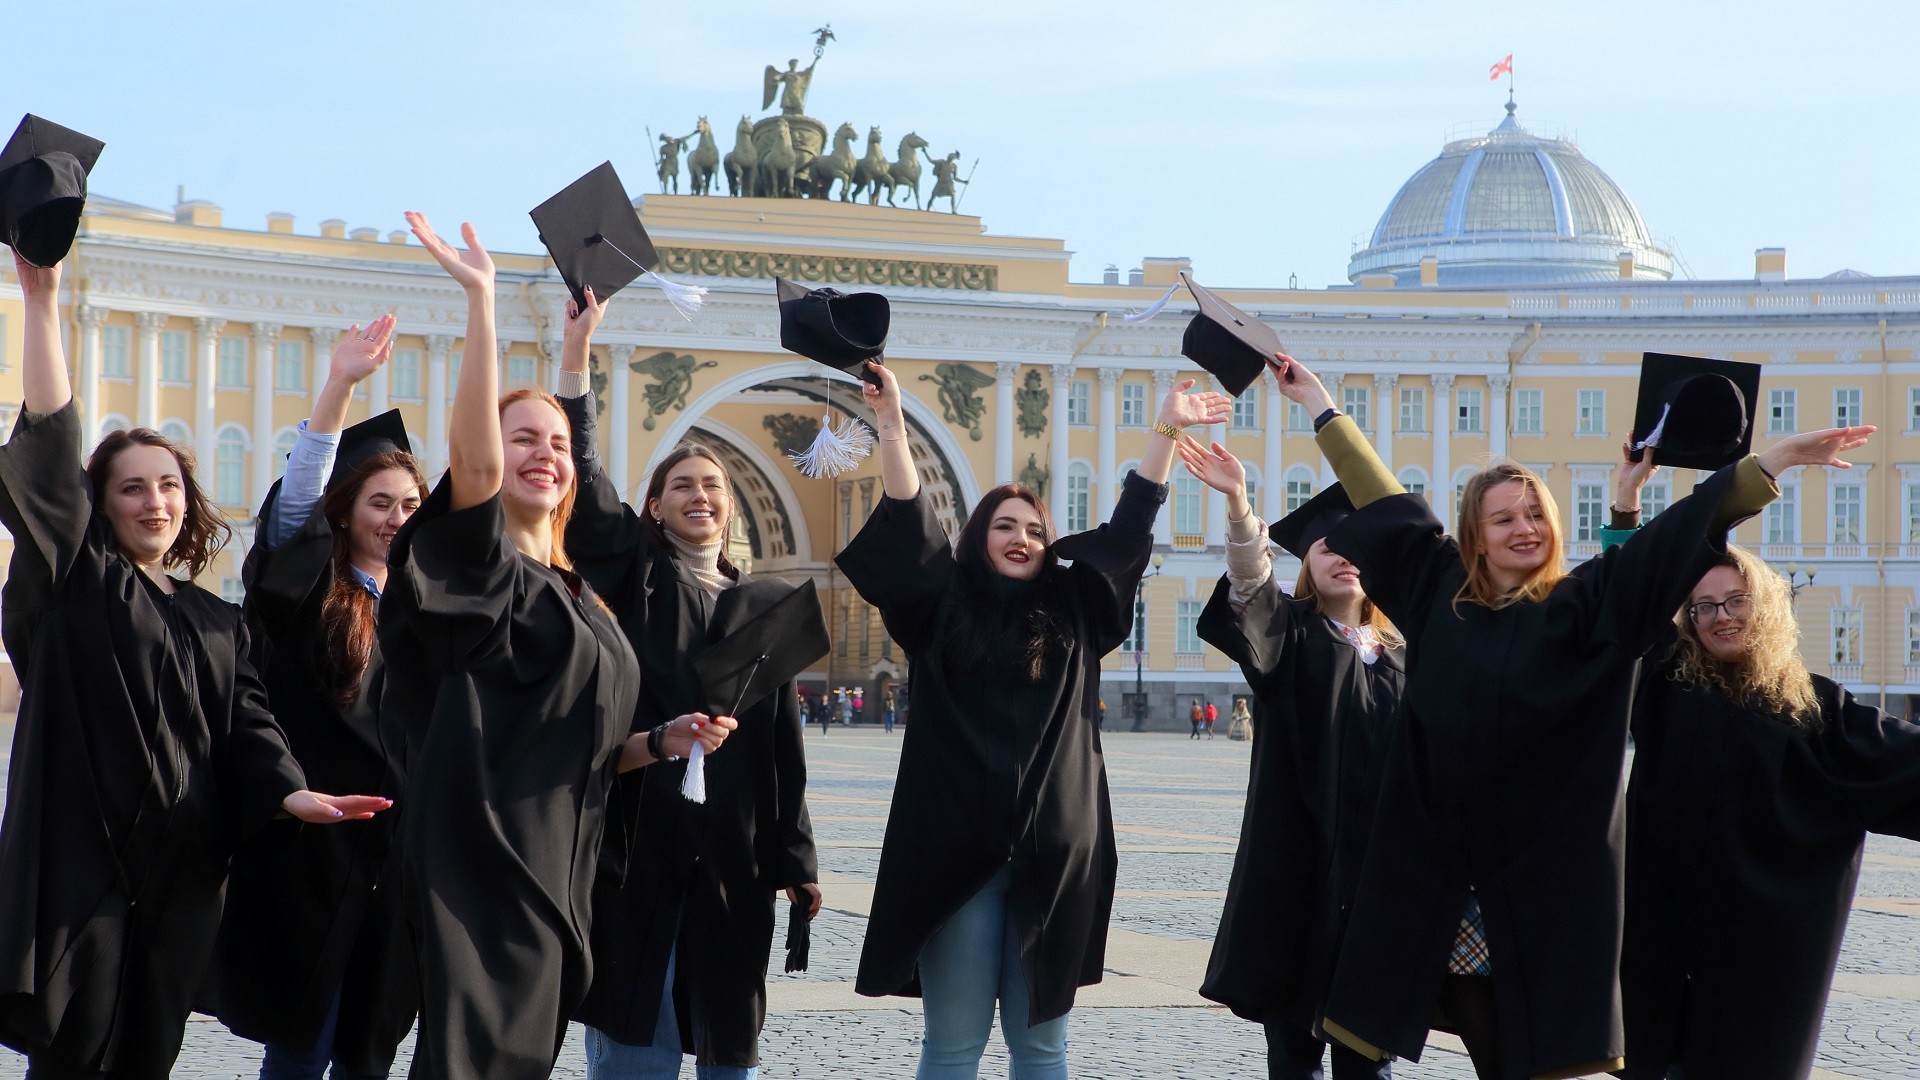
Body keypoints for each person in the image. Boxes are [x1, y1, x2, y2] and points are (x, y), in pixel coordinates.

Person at [1270, 349, 1868, 1080]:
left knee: (1528, 1058)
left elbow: (1667, 544)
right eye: (1502, 519)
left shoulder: (1580, 611)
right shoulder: (1436, 591)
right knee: (1390, 1037)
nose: (1524, 530)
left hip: (1540, 886)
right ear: (1474, 535)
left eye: (1534, 515)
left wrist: (1769, 463)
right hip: (1439, 880)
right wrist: (1320, 406)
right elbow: (1386, 500)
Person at [0, 252, 390, 1079]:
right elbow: (49, 454)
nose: (155, 501)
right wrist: (42, 301)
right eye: (132, 488)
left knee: (147, 1058)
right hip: (84, 881)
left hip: (181, 885)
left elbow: (249, 724)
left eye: (168, 485)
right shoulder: (77, 590)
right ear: (100, 507)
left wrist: (293, 792)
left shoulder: (217, 620)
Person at [384, 214, 734, 1080]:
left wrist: (662, 742)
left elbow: (582, 746)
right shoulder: (481, 567)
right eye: (523, 440)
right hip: (479, 863)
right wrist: (481, 304)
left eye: (558, 443)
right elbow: (469, 468)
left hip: (559, 878)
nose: (546, 455)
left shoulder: (586, 599)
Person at [839, 361, 1228, 1079]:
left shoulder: (1080, 611)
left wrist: (1166, 432)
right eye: (1004, 526)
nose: (1021, 537)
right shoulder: (937, 610)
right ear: (978, 538)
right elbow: (910, 519)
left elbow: (1130, 526)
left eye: (1034, 529)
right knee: (952, 1045)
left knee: (1042, 1047)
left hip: (1054, 858)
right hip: (956, 857)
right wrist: (892, 424)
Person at [555, 287, 819, 1080]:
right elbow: (588, 482)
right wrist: (575, 360)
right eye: (682, 487)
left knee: (728, 1042)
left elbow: (782, 745)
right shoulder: (637, 577)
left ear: (731, 509)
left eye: (713, 487)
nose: (700, 496)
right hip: (641, 843)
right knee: (638, 1034)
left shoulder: (758, 603)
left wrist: (795, 857)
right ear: (656, 509)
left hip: (732, 857)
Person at [1606, 450, 1920, 1080]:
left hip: (1763, 974)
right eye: (1704, 606)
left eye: (1736, 600)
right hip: (1663, 961)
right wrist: (1625, 504)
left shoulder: (1813, 708)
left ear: (1765, 604)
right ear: (1688, 621)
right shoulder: (1665, 688)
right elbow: (1625, 605)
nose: (1722, 616)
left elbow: (1904, 763)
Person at [211, 317, 421, 1080]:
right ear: (345, 513)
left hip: (395, 863)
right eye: (379, 503)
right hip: (314, 855)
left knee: (370, 1054)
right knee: (302, 1051)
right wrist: (338, 389)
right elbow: (293, 513)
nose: (397, 519)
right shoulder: (309, 595)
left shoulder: (427, 611)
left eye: (409, 505)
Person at [1184, 441, 1402, 1080]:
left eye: (1354, 545)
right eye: (1327, 546)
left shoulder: (1403, 655)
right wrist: (1238, 503)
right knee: (1294, 1059)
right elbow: (1252, 588)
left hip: (1375, 888)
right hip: (1297, 883)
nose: (1342, 556)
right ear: (1305, 561)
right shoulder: (1289, 636)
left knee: (1370, 1059)